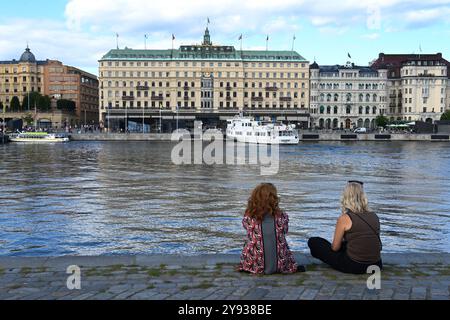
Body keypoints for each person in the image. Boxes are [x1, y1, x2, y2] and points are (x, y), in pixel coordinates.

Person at [308, 181, 383, 274]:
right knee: (347, 244)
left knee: (314, 242)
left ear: (346, 197)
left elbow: (335, 248)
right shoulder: (374, 216)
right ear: (363, 197)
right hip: (376, 264)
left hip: (355, 265)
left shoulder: (345, 218)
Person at [238, 183, 304, 274]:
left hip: (255, 263)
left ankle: (251, 264)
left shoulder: (249, 217)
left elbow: (246, 227)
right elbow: (285, 231)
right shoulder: (282, 216)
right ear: (274, 199)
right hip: (279, 264)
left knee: (250, 239)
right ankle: (282, 264)